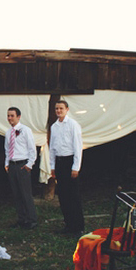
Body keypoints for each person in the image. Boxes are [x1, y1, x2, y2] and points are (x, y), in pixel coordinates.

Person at [49, 99, 84, 235]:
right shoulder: (54, 126)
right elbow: (52, 148)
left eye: (61, 108)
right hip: (59, 162)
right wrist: (52, 166)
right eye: (57, 108)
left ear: (67, 109)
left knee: (73, 195)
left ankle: (78, 227)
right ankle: (68, 225)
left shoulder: (73, 125)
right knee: (63, 195)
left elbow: (78, 147)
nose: (58, 111)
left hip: (70, 162)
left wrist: (76, 167)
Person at [4, 107, 38, 229]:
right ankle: (21, 219)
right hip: (12, 165)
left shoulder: (25, 130)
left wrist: (29, 165)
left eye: (12, 116)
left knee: (25, 193)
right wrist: (6, 164)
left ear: (18, 117)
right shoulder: (8, 132)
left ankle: (31, 220)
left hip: (22, 165)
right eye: (8, 116)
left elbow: (32, 149)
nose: (9, 118)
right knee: (16, 194)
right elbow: (7, 149)